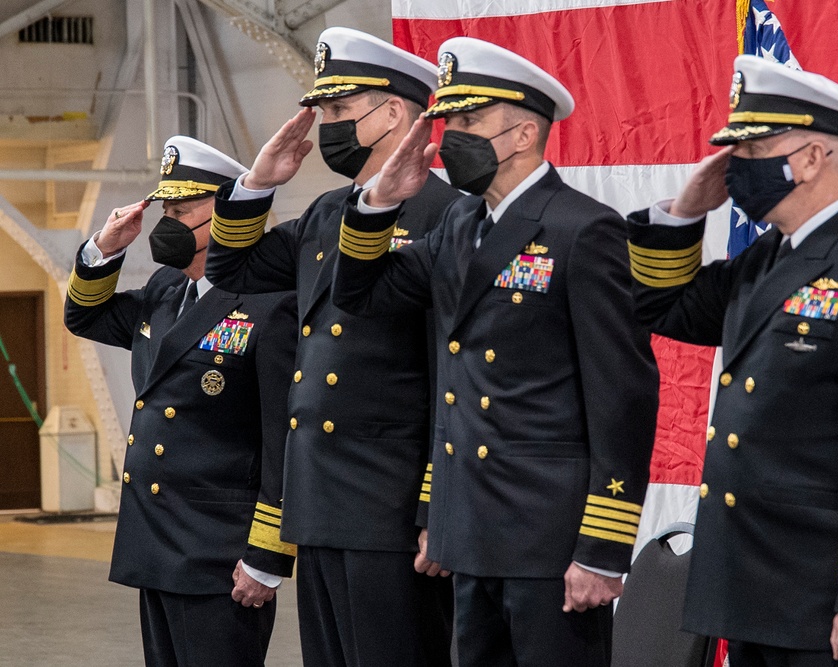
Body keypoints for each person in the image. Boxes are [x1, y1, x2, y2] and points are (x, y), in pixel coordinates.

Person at [330, 36, 660, 666]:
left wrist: (603, 549)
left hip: (550, 542)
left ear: (522, 134)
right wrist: (378, 204)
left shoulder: (581, 229)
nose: (449, 136)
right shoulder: (458, 224)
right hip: (470, 534)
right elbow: (361, 292)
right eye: (450, 120)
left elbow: (623, 396)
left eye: (470, 121)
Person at [626, 55, 838, 666]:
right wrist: (684, 212)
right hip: (759, 592)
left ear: (808, 159)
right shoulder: (771, 259)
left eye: (750, 149)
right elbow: (661, 306)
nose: (734, 166)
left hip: (826, 606)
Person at [204, 27, 459, 667]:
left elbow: (448, 370)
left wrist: (436, 502)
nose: (327, 129)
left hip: (391, 502)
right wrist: (258, 182)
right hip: (319, 501)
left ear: (394, 112)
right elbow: (231, 271)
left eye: (341, 112)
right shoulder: (324, 215)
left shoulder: (445, 215)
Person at [63, 136, 297, 667]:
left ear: (226, 211)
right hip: (157, 541)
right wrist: (106, 248)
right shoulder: (166, 291)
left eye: (182, 209)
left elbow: (281, 433)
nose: (167, 222)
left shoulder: (269, 303)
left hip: (218, 550)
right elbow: (85, 317)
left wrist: (268, 554)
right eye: (165, 209)